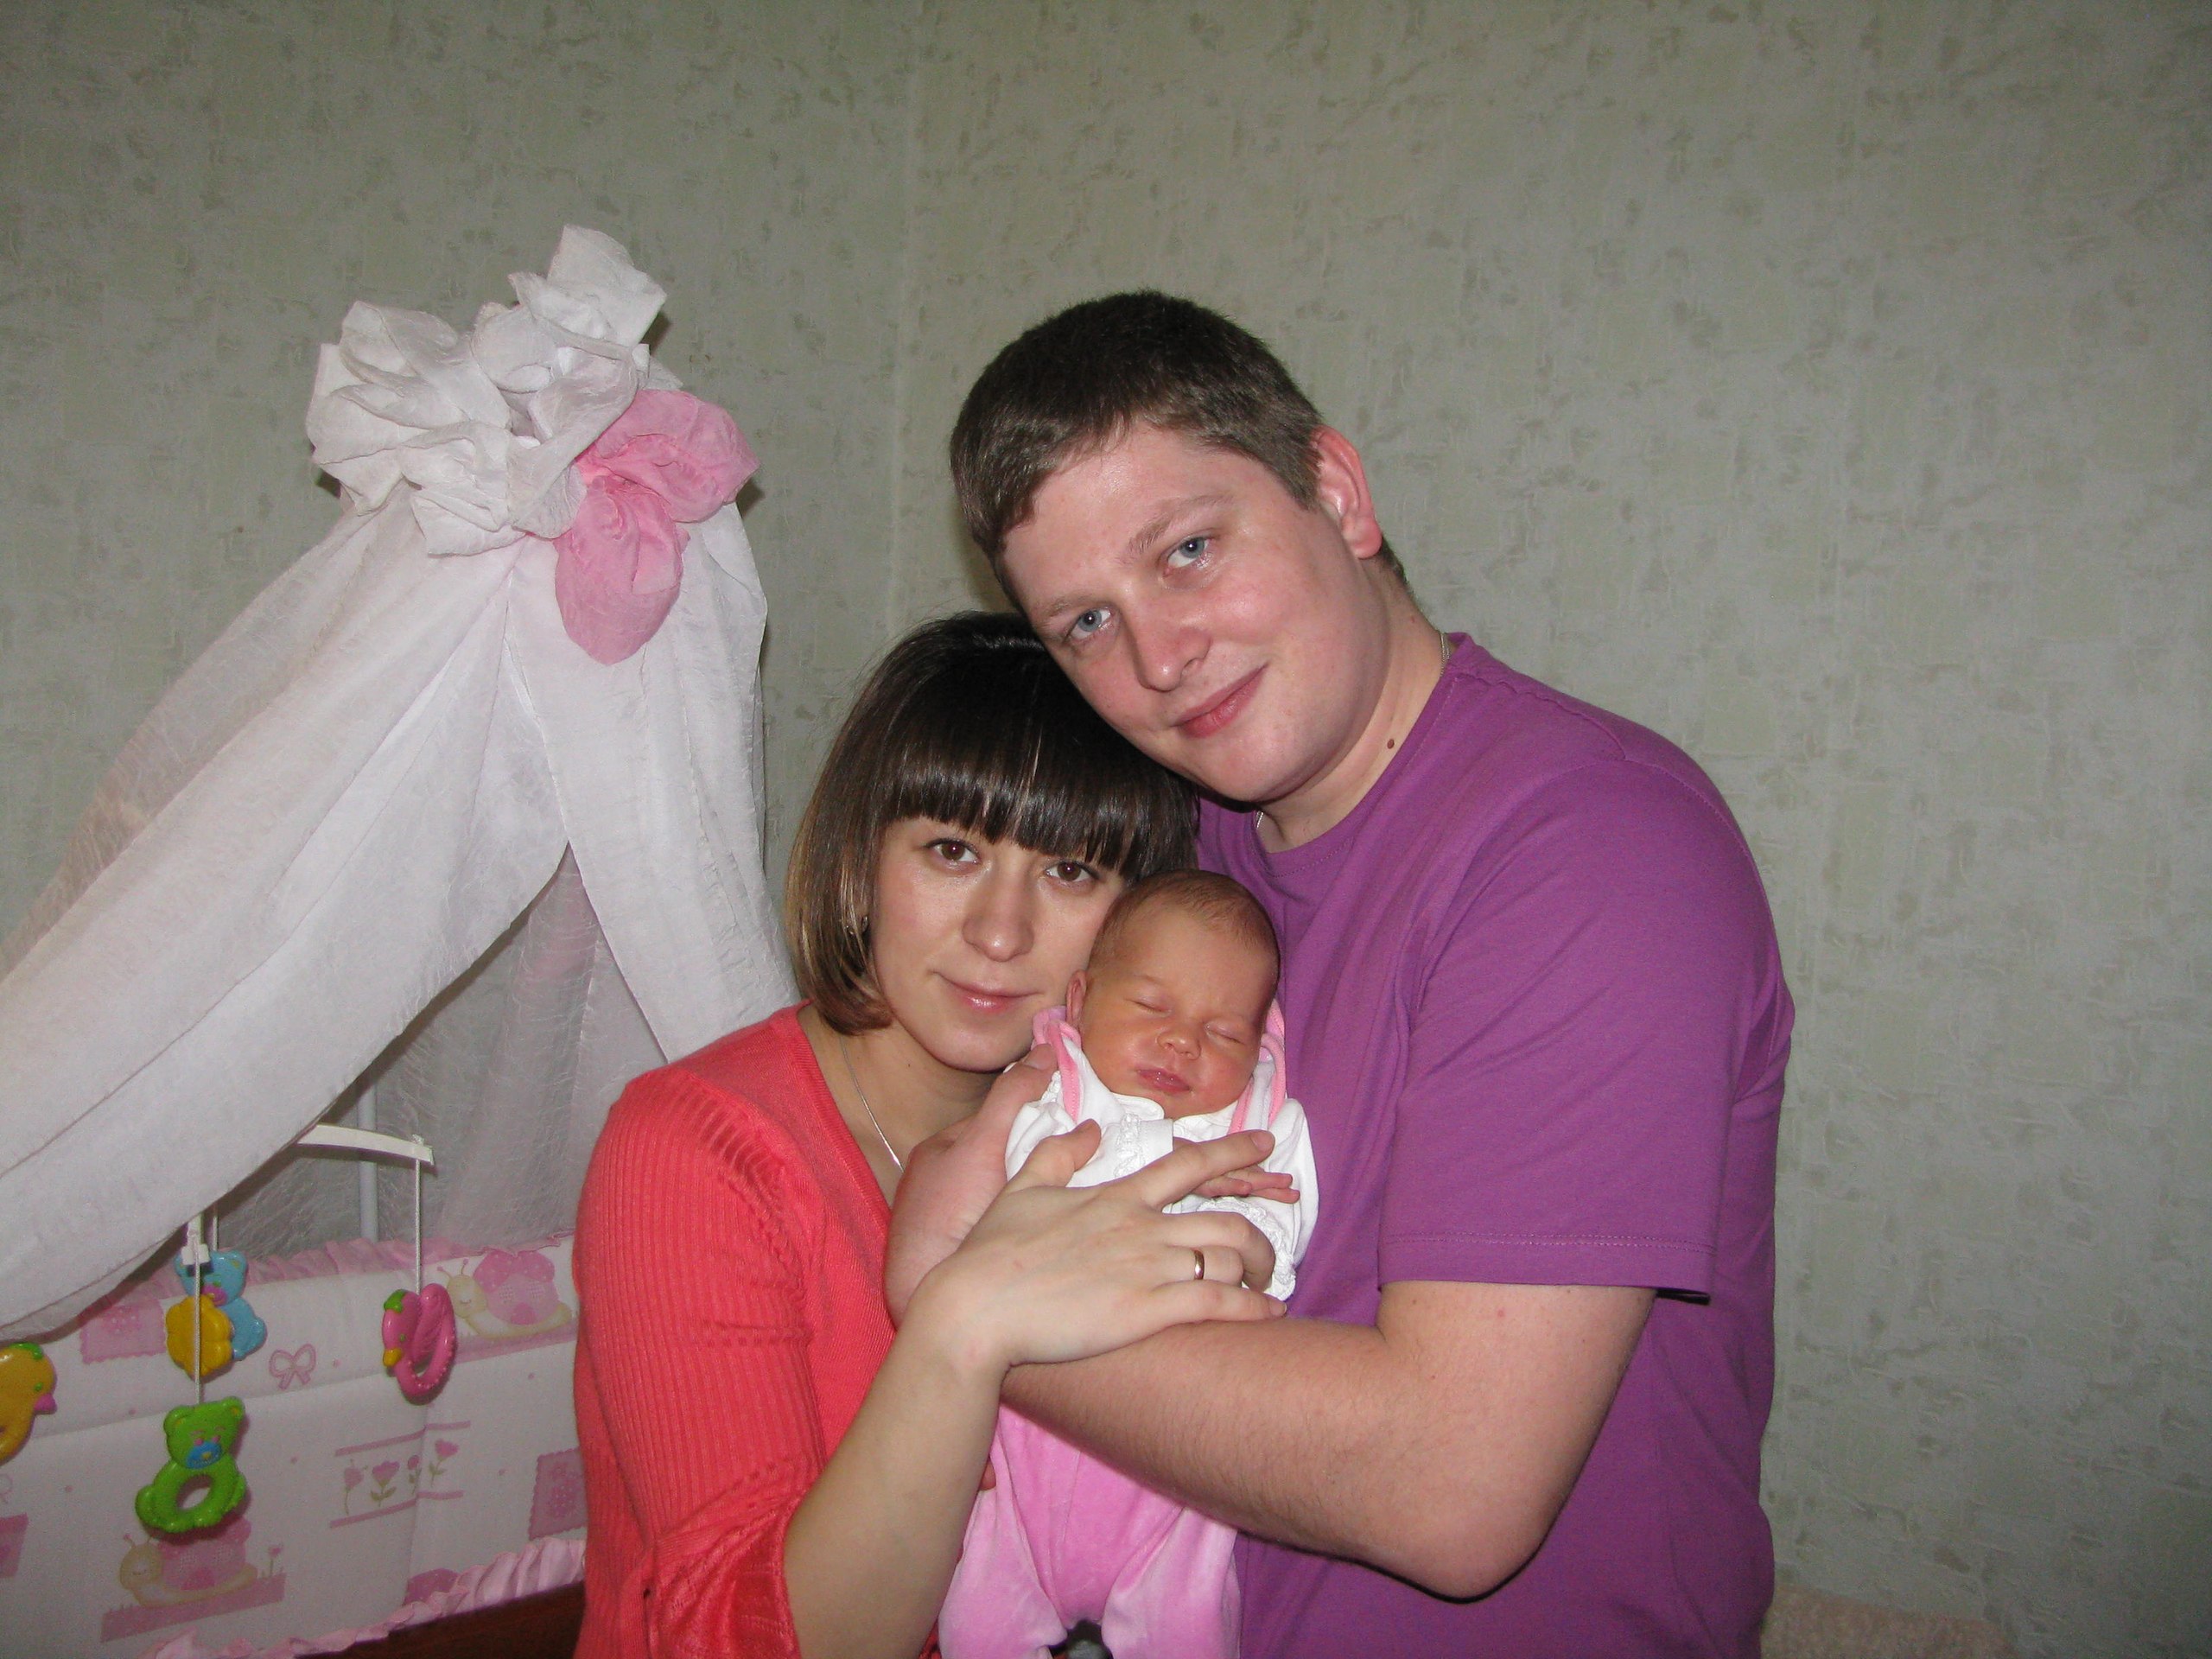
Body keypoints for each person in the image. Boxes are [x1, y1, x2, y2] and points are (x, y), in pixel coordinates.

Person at [888, 293, 1794, 1657]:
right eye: (1085, 624)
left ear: (1338, 492)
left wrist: (958, 1307)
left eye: (1188, 550)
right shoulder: (1190, 871)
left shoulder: (1591, 849)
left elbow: (1450, 1490)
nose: (1157, 659)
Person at [571, 612, 1294, 1659]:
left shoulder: (1123, 1151)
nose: (999, 934)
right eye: (952, 851)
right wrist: (964, 1316)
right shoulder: (691, 1152)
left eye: (1070, 872)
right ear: (863, 856)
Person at [941, 870, 1317, 1659]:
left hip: (1177, 1485)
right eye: (1150, 1006)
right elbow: (1021, 1198)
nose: (1182, 1042)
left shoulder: (1261, 1126)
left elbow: (1281, 1229)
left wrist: (1247, 1248)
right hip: (1028, 1461)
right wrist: (1174, 1178)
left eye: (1224, 1035)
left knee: (1190, 1631)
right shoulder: (1054, 1093)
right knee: (973, 1624)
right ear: (1080, 1002)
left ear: (1261, 1048)